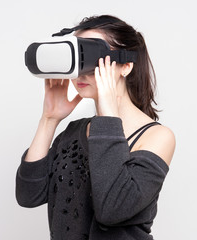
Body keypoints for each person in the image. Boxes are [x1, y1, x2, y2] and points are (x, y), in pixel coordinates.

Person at [16, 15, 176, 240]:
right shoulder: (74, 132)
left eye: (90, 57)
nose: (81, 72)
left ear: (126, 65)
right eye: (76, 58)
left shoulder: (157, 137)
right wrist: (49, 119)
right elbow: (28, 195)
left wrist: (108, 110)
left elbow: (112, 210)